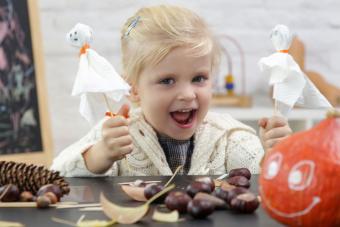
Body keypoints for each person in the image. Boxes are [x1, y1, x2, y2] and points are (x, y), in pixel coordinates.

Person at [51, 5, 292, 176]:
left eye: (199, 78)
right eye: (167, 81)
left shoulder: (227, 137)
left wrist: (274, 155)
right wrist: (99, 156)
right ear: (133, 89)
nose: (188, 94)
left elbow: (265, 177)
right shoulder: (118, 135)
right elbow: (57, 172)